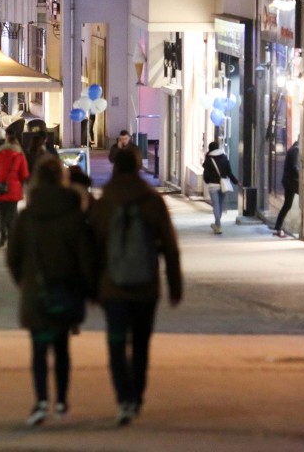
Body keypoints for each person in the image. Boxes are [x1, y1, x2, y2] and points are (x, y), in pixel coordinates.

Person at [89, 147, 183, 426]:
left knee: (117, 344)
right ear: (139, 167)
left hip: (112, 287)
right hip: (146, 287)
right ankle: (137, 396)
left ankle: (124, 400)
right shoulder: (152, 200)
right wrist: (175, 285)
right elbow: (169, 245)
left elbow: (92, 246)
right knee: (141, 344)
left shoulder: (105, 202)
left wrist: (91, 286)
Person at [6, 156, 94, 426]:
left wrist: (26, 282)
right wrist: (87, 289)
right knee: (62, 347)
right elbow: (86, 256)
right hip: (66, 289)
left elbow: (13, 257)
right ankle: (62, 401)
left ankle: (41, 400)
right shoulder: (73, 214)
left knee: (39, 348)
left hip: (37, 290)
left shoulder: (27, 216)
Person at [0, 126, 29, 247]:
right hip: (14, 188)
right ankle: (12, 235)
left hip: (1, 187)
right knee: (12, 212)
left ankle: (3, 233)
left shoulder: (0, 153)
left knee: (2, 213)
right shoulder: (20, 155)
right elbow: (24, 174)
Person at [202, 141, 239, 235]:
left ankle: (218, 225)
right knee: (220, 205)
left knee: (216, 205)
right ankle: (217, 224)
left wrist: (208, 181)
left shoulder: (209, 159)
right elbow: (229, 172)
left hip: (213, 186)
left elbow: (206, 175)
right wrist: (236, 181)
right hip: (223, 185)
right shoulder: (224, 157)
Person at [273, 141, 300, 237]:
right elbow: (294, 167)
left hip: (289, 182)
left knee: (287, 205)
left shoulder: (292, 149)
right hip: (291, 182)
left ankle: (277, 227)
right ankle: (277, 228)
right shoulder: (295, 150)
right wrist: (301, 175)